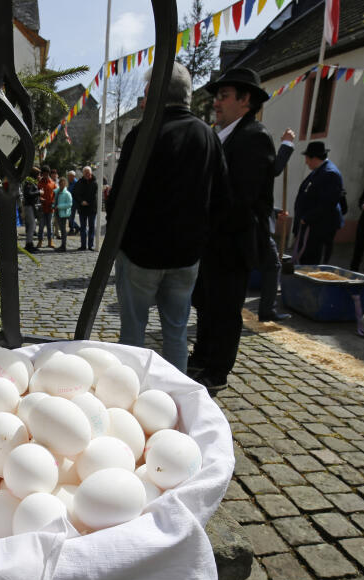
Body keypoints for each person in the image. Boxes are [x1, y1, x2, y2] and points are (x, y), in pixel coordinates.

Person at [107, 62, 229, 373]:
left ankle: (130, 397)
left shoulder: (142, 134)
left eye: (146, 93)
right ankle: (177, 395)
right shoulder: (208, 136)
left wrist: (118, 241)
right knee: (176, 333)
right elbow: (222, 200)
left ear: (155, 93)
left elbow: (119, 196)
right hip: (186, 255)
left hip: (141, 253)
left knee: (133, 332)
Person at [191, 67, 275, 390]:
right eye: (216, 96)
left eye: (224, 96)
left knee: (225, 309)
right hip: (213, 240)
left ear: (245, 100)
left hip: (233, 241)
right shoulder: (223, 135)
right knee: (206, 304)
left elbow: (240, 198)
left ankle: (217, 370)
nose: (216, 103)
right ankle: (202, 357)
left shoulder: (255, 138)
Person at [256, 128, 297, 322]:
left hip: (257, 220)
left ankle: (266, 309)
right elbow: (274, 168)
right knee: (272, 265)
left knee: (270, 265)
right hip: (256, 225)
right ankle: (267, 310)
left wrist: (274, 212)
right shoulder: (254, 157)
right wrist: (287, 144)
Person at [293, 141, 344, 265]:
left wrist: (307, 218)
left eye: (307, 158)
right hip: (310, 224)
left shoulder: (329, 173)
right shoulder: (319, 171)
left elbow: (328, 203)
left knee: (313, 259)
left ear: (314, 158)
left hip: (318, 226)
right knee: (305, 256)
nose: (306, 162)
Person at [73, 166, 99, 250]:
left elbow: (94, 195)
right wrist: (81, 201)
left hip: (92, 208)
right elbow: (75, 193)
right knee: (83, 228)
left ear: (91, 173)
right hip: (82, 208)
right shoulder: (79, 182)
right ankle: (83, 245)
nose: (87, 174)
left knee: (91, 227)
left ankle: (90, 245)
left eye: (88, 172)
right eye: (85, 172)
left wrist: (87, 201)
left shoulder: (95, 183)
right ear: (83, 173)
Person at [22, 168, 41, 253]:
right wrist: (39, 192)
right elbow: (28, 194)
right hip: (28, 207)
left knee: (32, 226)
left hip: (31, 206)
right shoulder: (29, 183)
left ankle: (30, 243)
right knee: (32, 226)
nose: (39, 176)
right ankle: (29, 244)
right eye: (38, 174)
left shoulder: (32, 182)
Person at [37, 165, 56, 248]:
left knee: (49, 226)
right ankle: (40, 241)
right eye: (43, 174)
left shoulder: (53, 183)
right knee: (41, 226)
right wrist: (40, 199)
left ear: (48, 173)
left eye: (46, 173)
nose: (45, 175)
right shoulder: (39, 183)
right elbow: (37, 194)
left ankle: (50, 241)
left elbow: (55, 195)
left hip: (50, 208)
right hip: (42, 208)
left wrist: (54, 203)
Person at [54, 177, 72, 252]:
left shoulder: (67, 194)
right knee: (60, 229)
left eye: (63, 184)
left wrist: (59, 207)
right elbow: (54, 201)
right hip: (57, 213)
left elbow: (69, 204)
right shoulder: (56, 192)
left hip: (63, 214)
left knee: (63, 230)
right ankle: (62, 245)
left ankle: (63, 246)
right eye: (60, 183)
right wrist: (53, 206)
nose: (61, 185)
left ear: (65, 184)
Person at [66, 170, 80, 234]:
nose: (68, 177)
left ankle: (74, 228)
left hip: (74, 203)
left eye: (69, 176)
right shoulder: (70, 183)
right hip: (70, 202)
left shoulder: (76, 183)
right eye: (68, 176)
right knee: (70, 216)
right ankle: (74, 228)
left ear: (73, 176)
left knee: (70, 217)